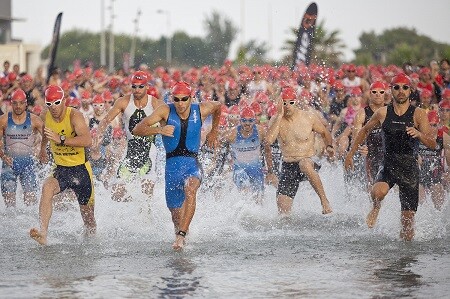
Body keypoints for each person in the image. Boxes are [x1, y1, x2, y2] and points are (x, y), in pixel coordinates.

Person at [344, 73, 437, 241]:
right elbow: (364, 130)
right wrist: (350, 153)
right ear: (391, 91)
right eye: (397, 87)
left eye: (405, 87)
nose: (401, 91)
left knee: (407, 223)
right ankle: (376, 206)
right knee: (378, 192)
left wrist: (418, 134)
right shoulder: (382, 113)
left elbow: (432, 143)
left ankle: (405, 258)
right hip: (388, 164)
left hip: (409, 169)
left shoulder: (419, 114)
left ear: (410, 91)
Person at [132, 81, 222, 250]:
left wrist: (214, 131)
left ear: (191, 98)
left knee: (190, 189)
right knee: (175, 216)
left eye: (184, 99)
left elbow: (218, 106)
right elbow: (137, 129)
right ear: (172, 98)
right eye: (177, 99)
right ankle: (180, 235)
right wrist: (159, 130)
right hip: (172, 167)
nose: (180, 103)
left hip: (192, 164)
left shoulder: (200, 109)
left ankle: (181, 236)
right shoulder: (165, 110)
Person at [30, 85, 96, 245]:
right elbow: (46, 132)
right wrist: (43, 149)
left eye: (57, 102)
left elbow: (87, 140)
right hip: (61, 169)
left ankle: (92, 242)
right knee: (47, 187)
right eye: (49, 103)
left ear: (64, 101)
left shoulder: (75, 116)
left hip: (81, 170)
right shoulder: (46, 115)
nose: (53, 107)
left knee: (88, 219)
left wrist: (61, 139)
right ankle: (43, 233)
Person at [95, 71, 165, 201]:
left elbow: (168, 122)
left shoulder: (155, 103)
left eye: (140, 86)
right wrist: (98, 136)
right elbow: (105, 120)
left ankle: (146, 216)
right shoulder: (123, 102)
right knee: (116, 193)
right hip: (130, 151)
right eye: (134, 86)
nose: (137, 90)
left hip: (149, 151)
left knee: (146, 192)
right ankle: (131, 208)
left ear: (147, 86)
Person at [264, 86, 334, 216]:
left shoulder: (308, 117)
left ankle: (324, 201)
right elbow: (268, 141)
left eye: (290, 102)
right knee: (283, 213)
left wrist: (329, 146)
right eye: (284, 103)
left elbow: (324, 132)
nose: (288, 106)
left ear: (295, 102)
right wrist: (279, 115)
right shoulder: (275, 120)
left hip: (308, 161)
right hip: (288, 166)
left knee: (304, 164)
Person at [0, 89, 44, 207]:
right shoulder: (3, 120)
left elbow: (47, 137)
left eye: (21, 103)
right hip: (9, 165)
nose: (18, 106)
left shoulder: (35, 120)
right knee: (10, 208)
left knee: (31, 206)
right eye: (15, 103)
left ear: (26, 103)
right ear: (11, 103)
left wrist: (41, 150)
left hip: (28, 164)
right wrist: (3, 156)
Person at [222, 107, 273, 203]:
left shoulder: (260, 131)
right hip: (239, 170)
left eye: (250, 120)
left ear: (254, 121)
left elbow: (267, 151)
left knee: (259, 200)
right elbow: (220, 146)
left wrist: (270, 171)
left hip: (256, 170)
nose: (247, 123)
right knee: (245, 194)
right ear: (240, 121)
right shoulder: (232, 133)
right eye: (244, 120)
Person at [352, 81, 387, 188]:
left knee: (392, 186)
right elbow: (356, 137)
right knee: (372, 187)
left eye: (381, 92)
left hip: (389, 152)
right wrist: (361, 147)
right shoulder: (362, 114)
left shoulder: (391, 110)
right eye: (374, 92)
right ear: (370, 94)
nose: (378, 94)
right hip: (371, 154)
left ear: (385, 94)